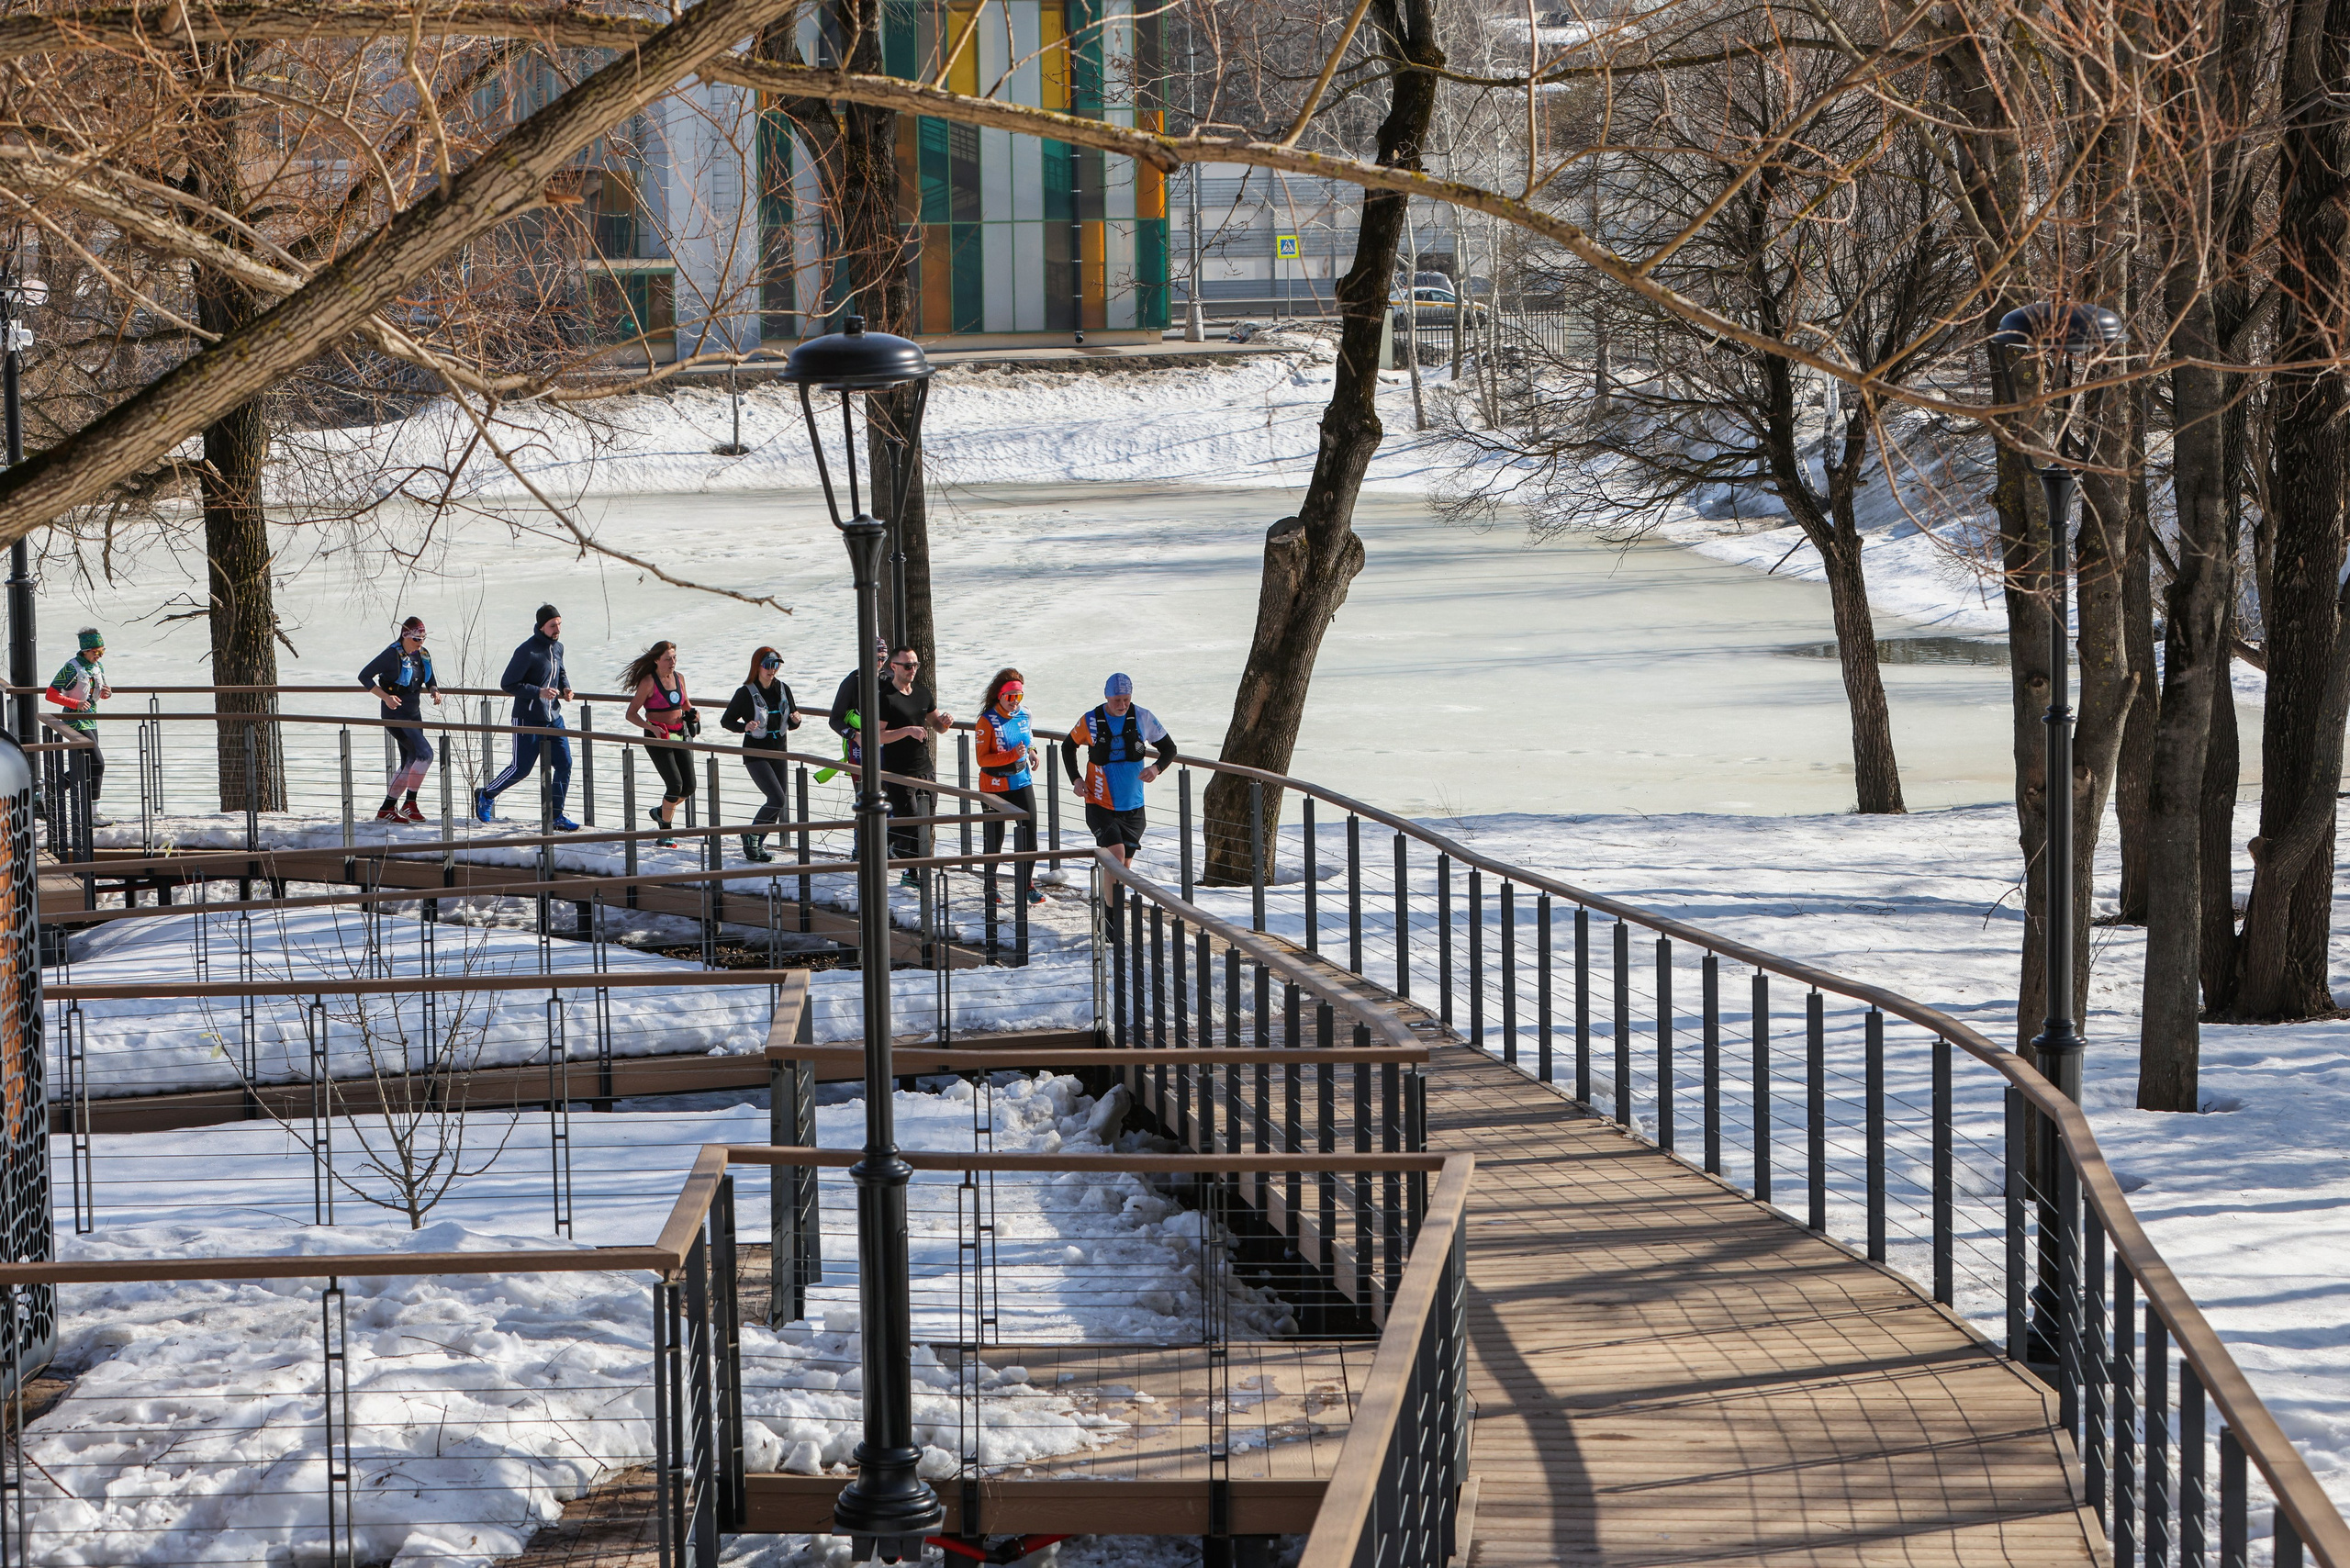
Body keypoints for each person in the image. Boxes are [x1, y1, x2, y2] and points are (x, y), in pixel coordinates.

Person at [476, 604, 576, 830]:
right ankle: (486, 794)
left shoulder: (558, 647)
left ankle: (556, 815)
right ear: (542, 626)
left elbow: (559, 670)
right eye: (553, 625)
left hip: (553, 717)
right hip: (527, 717)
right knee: (521, 768)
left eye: (559, 624)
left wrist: (566, 688)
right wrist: (538, 691)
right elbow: (508, 683)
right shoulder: (527, 651)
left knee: (565, 763)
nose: (557, 628)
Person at [1060, 672, 1175, 866]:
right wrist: (1076, 779)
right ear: (1107, 696)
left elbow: (1169, 749)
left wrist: (1156, 768)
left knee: (1124, 866)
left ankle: (1112, 897)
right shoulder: (1091, 720)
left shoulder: (1142, 716)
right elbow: (1068, 746)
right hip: (1099, 804)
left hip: (1133, 806)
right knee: (1116, 856)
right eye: (1117, 700)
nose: (1122, 705)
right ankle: (1110, 897)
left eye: (1126, 700)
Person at [865, 644, 951, 887]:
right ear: (893, 667)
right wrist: (907, 731)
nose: (912, 669)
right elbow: (878, 736)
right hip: (897, 770)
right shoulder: (885, 697)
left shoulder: (923, 693)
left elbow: (938, 726)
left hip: (924, 766)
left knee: (926, 820)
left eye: (915, 665)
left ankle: (911, 873)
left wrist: (945, 722)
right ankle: (877, 846)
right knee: (910, 818)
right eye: (907, 665)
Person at [358, 616, 442, 823]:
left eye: (423, 638)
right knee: (425, 754)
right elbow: (364, 676)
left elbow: (428, 676)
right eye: (416, 639)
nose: (420, 643)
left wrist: (434, 689)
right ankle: (409, 803)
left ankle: (386, 809)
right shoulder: (391, 655)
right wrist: (385, 697)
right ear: (405, 636)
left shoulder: (422, 654)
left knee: (410, 760)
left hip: (414, 714)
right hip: (395, 715)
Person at [973, 666, 1045, 905]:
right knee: (995, 839)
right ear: (999, 696)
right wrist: (1012, 755)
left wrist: (1032, 753)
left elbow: (1028, 737)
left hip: (1021, 780)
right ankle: (990, 885)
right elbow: (982, 759)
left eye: (1019, 697)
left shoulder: (1024, 715)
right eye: (1010, 697)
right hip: (994, 783)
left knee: (1030, 834)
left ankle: (1026, 884)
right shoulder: (986, 721)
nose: (1015, 703)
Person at [722, 646, 800, 863]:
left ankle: (754, 841)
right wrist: (744, 727)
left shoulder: (783, 689)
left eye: (776, 666)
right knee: (776, 798)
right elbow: (726, 721)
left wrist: (796, 721)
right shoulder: (745, 692)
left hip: (779, 752)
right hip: (755, 752)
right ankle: (751, 839)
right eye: (768, 665)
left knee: (779, 802)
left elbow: (790, 722)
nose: (772, 670)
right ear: (758, 666)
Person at [621, 640, 696, 849]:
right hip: (657, 737)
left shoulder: (679, 678)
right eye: (667, 659)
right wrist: (651, 728)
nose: (672, 662)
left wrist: (693, 713)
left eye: (674, 658)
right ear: (656, 660)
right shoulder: (648, 682)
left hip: (679, 735)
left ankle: (660, 812)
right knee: (674, 785)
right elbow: (631, 714)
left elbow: (684, 703)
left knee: (689, 787)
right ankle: (665, 832)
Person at [44, 627, 109, 800]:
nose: (100, 656)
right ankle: (51, 792)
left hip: (91, 719)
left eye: (102, 651)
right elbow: (50, 694)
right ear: (85, 651)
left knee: (88, 765)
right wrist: (76, 703)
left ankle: (51, 793)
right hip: (73, 720)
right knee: (97, 763)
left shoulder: (98, 666)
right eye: (96, 652)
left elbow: (99, 691)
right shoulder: (71, 668)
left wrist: (106, 693)